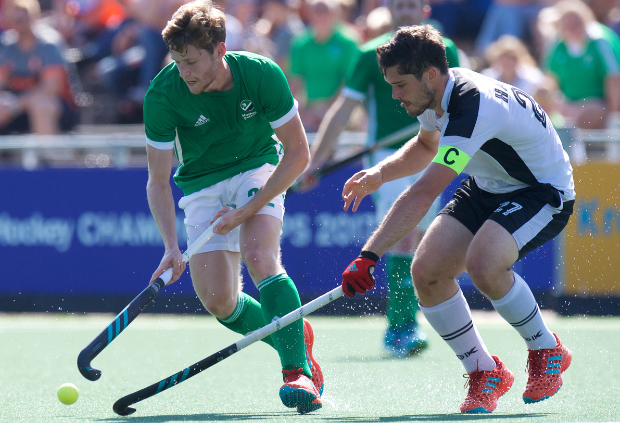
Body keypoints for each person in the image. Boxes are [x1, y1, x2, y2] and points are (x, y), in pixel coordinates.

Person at [340, 25, 574, 413]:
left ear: (430, 74)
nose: (395, 95)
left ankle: (546, 348)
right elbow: (425, 144)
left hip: (541, 191)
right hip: (488, 186)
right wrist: (381, 173)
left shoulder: (471, 106)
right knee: (426, 272)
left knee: (484, 263)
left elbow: (422, 192)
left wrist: (368, 255)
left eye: (400, 85)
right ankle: (484, 371)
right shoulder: (436, 95)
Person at [143, 0, 323, 414]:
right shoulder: (163, 94)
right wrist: (170, 246)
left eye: (191, 61)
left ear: (219, 50)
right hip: (201, 184)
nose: (183, 72)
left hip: (257, 167)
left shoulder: (260, 74)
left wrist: (246, 211)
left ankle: (296, 372)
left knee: (259, 256)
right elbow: (157, 181)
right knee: (219, 301)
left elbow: (298, 153)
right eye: (177, 62)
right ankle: (294, 334)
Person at [298, 0, 460, 358]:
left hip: (433, 151)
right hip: (387, 158)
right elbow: (343, 109)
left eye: (412, 4)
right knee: (404, 235)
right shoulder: (370, 54)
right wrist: (317, 160)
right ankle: (401, 327)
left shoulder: (445, 50)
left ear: (425, 9)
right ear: (389, 9)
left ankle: (407, 320)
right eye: (399, 5)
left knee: (421, 238)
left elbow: (460, 102)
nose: (405, 11)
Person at [0, 0, 79, 135]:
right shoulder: (8, 45)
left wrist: (17, 104)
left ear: (34, 16)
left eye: (23, 17)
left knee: (41, 106)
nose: (19, 23)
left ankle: (48, 149)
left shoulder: (48, 44)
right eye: (15, 19)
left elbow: (50, 89)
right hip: (19, 107)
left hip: (59, 108)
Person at [542, 0, 620, 130]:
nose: (571, 28)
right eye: (566, 24)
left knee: (584, 115)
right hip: (568, 104)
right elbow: (550, 80)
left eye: (575, 23)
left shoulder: (599, 42)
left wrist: (614, 116)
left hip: (597, 103)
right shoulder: (557, 45)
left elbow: (613, 80)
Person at [288, 0, 362, 131]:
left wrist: (329, 109)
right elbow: (295, 83)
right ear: (309, 14)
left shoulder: (348, 42)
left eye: (325, 11)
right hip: (310, 113)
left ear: (335, 14)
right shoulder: (300, 44)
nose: (321, 16)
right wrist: (303, 113)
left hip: (343, 111)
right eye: (317, 11)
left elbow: (350, 81)